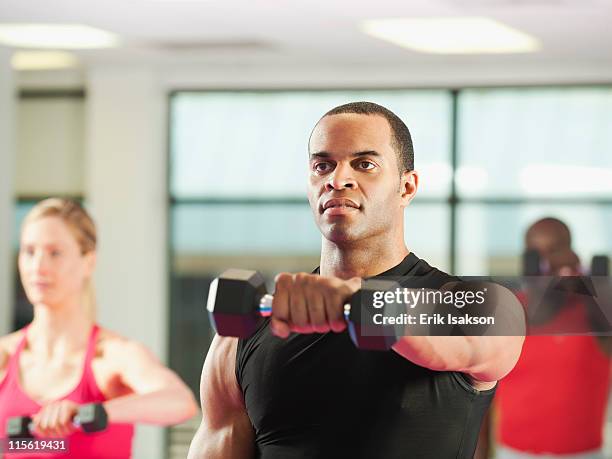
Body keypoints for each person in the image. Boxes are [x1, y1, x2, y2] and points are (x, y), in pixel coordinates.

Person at [188, 102, 524, 459]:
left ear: (407, 187)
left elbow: (469, 340)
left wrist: (351, 301)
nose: (338, 179)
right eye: (323, 166)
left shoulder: (481, 305)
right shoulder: (242, 336)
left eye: (365, 164)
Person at [0, 198, 198, 458]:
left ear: (88, 262)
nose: (38, 266)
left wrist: (94, 412)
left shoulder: (112, 356)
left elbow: (180, 402)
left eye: (54, 253)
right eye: (29, 251)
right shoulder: (5, 355)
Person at [479, 217, 611, 459]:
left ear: (571, 255)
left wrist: (587, 286)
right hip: (515, 453)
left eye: (555, 250)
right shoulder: (506, 313)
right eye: (536, 254)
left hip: (586, 454)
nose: (546, 262)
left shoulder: (596, 312)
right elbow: (482, 394)